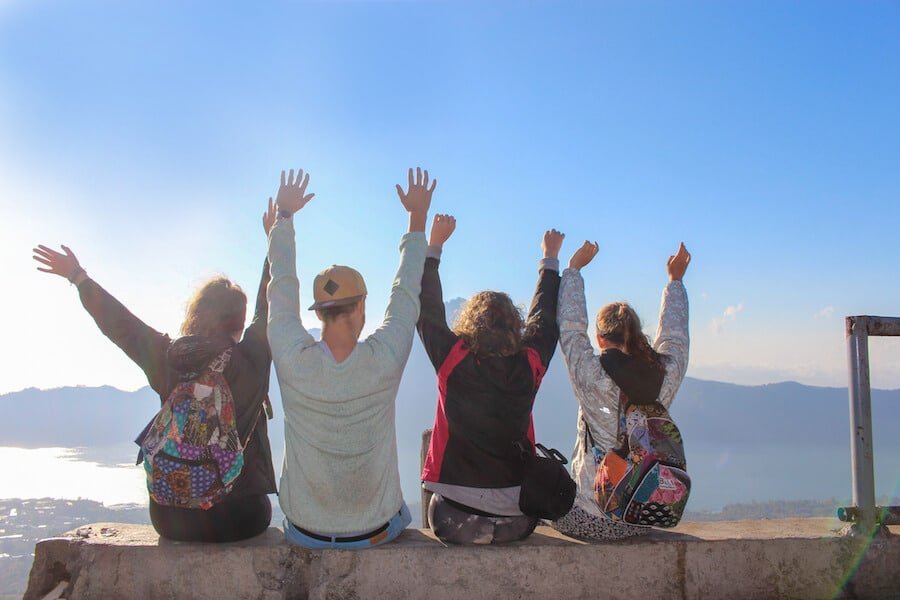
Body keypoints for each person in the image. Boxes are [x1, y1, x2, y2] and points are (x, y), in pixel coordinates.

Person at [30, 204, 280, 543]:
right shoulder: (250, 358)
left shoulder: (169, 356)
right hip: (237, 518)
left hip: (170, 517)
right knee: (259, 505)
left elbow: (122, 326)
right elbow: (268, 303)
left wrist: (78, 277)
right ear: (239, 320)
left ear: (196, 313)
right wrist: (275, 240)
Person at [267, 166, 435, 549]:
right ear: (361, 306)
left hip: (304, 530)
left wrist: (284, 217)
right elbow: (406, 293)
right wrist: (417, 217)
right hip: (374, 532)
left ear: (318, 314)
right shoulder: (384, 359)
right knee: (401, 512)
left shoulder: (292, 358)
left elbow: (281, 285)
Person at [417, 214, 563, 544]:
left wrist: (434, 247)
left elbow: (426, 310)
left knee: (437, 506)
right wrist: (549, 260)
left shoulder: (453, 360)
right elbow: (544, 321)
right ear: (514, 326)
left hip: (455, 520)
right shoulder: (529, 365)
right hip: (517, 521)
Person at [551, 240, 691, 540]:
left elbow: (571, 330)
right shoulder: (663, 374)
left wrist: (573, 270)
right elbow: (676, 339)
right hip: (643, 515)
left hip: (594, 515)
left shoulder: (593, 376)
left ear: (600, 339)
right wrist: (675, 281)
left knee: (542, 496)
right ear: (638, 335)